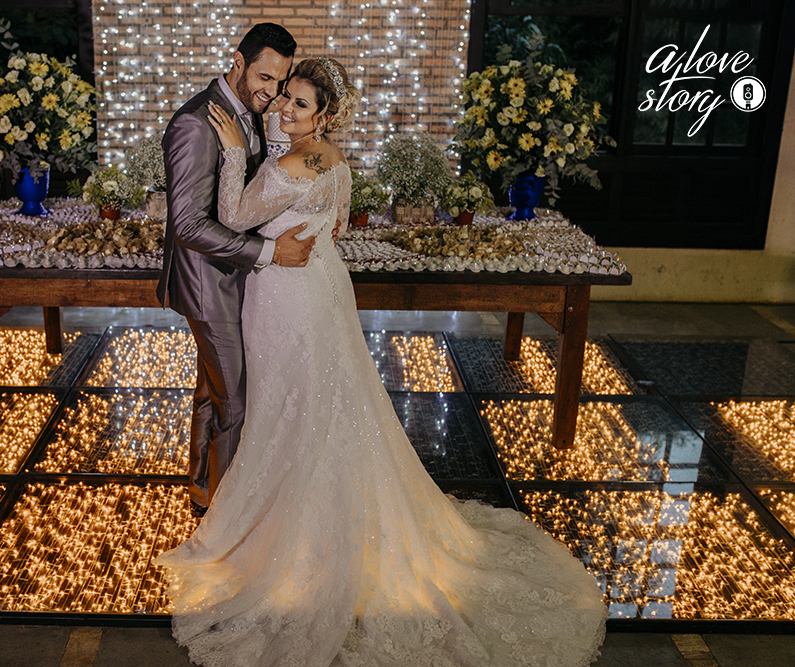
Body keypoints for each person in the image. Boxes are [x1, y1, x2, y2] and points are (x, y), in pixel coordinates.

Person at [157, 57, 608, 667]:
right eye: (284, 97)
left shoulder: (289, 163)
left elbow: (234, 217)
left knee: (289, 401)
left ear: (326, 115)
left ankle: (287, 536)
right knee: (325, 397)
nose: (284, 109)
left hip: (287, 297)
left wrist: (236, 150)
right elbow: (336, 226)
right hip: (321, 288)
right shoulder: (335, 160)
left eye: (299, 104)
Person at [156, 23, 316, 518]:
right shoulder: (195, 123)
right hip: (209, 285)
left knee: (213, 393)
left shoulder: (250, 112)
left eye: (280, 83)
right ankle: (225, 521)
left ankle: (204, 495)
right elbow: (187, 224)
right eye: (265, 77)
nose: (272, 92)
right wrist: (268, 253)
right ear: (238, 61)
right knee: (238, 403)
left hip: (233, 280)